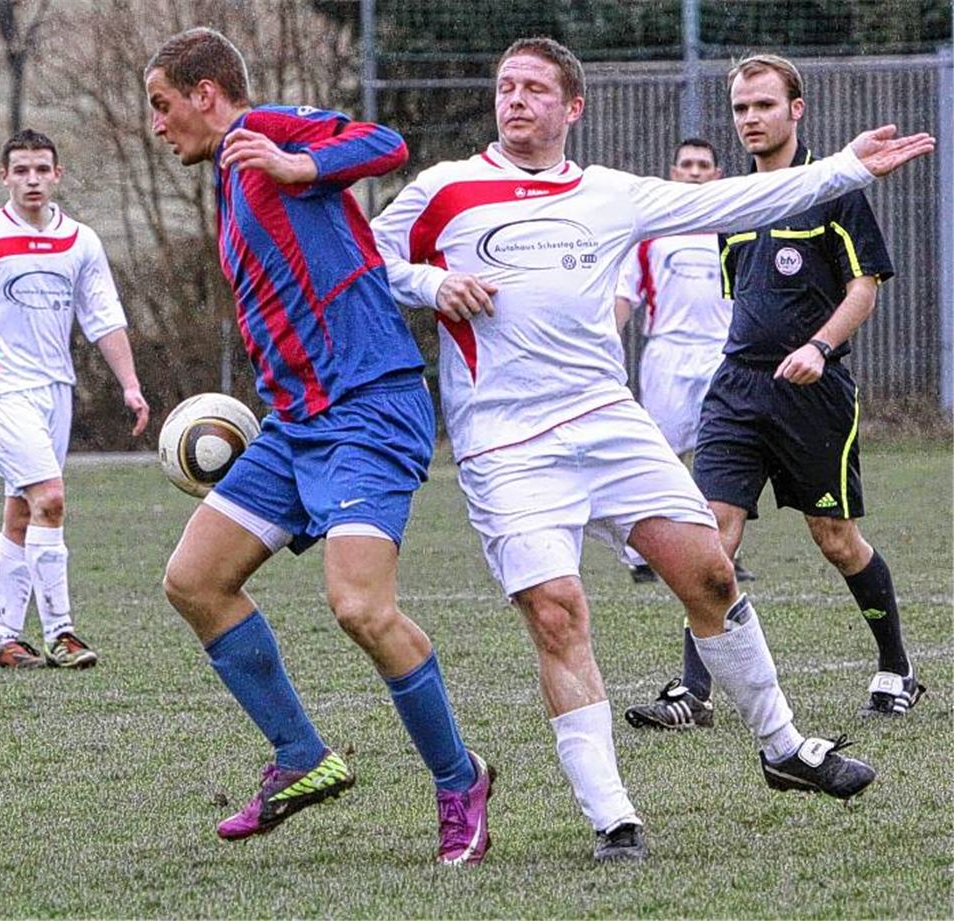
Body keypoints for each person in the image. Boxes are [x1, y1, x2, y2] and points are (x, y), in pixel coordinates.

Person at [370, 36, 933, 862]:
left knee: (709, 570)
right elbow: (366, 260)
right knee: (559, 612)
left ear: (573, 107)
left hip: (606, 418)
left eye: (533, 88)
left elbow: (735, 200)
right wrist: (429, 283)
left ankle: (782, 747)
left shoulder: (611, 194)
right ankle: (614, 818)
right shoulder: (443, 190)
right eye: (505, 86)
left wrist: (845, 166)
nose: (515, 100)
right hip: (505, 441)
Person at [143, 27, 493, 865]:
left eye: (162, 105)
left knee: (360, 607)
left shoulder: (266, 132)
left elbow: (384, 141)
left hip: (370, 409)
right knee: (194, 581)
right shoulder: (231, 180)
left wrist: (305, 166)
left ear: (205, 92)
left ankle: (459, 779)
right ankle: (301, 755)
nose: (158, 126)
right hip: (297, 422)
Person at [626, 54, 925, 733]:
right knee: (710, 538)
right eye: (739, 108)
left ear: (796, 109)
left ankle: (896, 666)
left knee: (836, 538)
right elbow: (743, 297)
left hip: (813, 393)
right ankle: (693, 694)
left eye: (763, 105)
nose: (750, 119)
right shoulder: (732, 202)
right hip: (737, 387)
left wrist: (819, 348)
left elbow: (864, 287)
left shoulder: (836, 188)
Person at [0, 129, 150, 670]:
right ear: (4, 176)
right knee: (50, 497)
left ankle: (4, 638)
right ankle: (62, 632)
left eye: (42, 170)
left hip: (56, 390)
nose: (32, 180)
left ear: (57, 175)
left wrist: (130, 384)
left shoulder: (81, 241)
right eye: (21, 170)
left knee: (24, 512)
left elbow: (104, 317)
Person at [613, 138, 754, 585]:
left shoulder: (735, 228)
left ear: (717, 175)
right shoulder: (650, 233)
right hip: (668, 353)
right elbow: (624, 296)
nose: (694, 171)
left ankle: (719, 554)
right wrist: (604, 342)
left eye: (703, 165)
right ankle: (641, 556)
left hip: (722, 353)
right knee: (659, 455)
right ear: (673, 172)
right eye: (687, 164)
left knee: (725, 456)